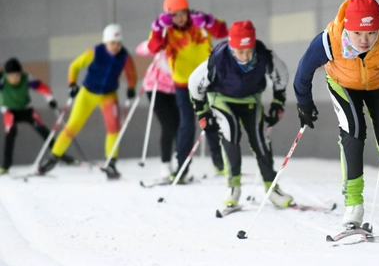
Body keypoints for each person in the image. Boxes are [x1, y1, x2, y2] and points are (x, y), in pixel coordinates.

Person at [293, 0, 379, 234]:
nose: (365, 40)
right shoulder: (328, 41)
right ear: (346, 27)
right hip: (343, 84)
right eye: (357, 34)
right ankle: (353, 206)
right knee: (353, 132)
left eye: (371, 33)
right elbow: (304, 70)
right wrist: (304, 103)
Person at [188, 20, 293, 208]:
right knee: (230, 129)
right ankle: (233, 187)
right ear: (231, 46)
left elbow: (282, 75)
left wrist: (278, 102)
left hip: (251, 99)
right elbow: (194, 82)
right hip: (221, 98)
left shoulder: (263, 55)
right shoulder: (219, 58)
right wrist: (202, 112)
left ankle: (271, 187)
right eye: (240, 52)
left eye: (248, 51)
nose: (245, 57)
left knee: (260, 138)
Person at [38, 24, 137, 179]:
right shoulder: (96, 52)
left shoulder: (124, 56)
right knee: (72, 126)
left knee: (113, 128)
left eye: (118, 43)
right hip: (87, 93)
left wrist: (131, 86)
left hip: (108, 95)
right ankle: (53, 157)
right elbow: (75, 66)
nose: (116, 47)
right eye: (113, 43)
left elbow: (132, 74)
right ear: (106, 42)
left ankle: (111, 163)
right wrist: (72, 83)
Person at [147, 0, 226, 182]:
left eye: (183, 13)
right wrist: (158, 28)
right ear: (168, 16)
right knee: (186, 124)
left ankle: (220, 162)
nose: (180, 18)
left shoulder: (199, 23)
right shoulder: (166, 30)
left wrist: (208, 21)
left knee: (211, 121)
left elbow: (223, 32)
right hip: (183, 84)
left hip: (207, 79)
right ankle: (182, 167)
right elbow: (152, 47)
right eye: (175, 15)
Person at [135, 41, 224, 179]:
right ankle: (166, 165)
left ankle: (180, 164)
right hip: (157, 88)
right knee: (169, 125)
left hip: (177, 90)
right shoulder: (168, 40)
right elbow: (141, 50)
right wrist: (157, 42)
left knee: (180, 126)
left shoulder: (190, 44)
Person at [0, 58, 75, 174]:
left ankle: (61, 156)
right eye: (11, 76)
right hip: (10, 111)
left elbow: (42, 87)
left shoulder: (27, 78)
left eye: (17, 75)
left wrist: (50, 99)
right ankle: (5, 166)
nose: (15, 79)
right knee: (10, 133)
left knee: (44, 131)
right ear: (6, 75)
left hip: (26, 109)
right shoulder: (2, 80)